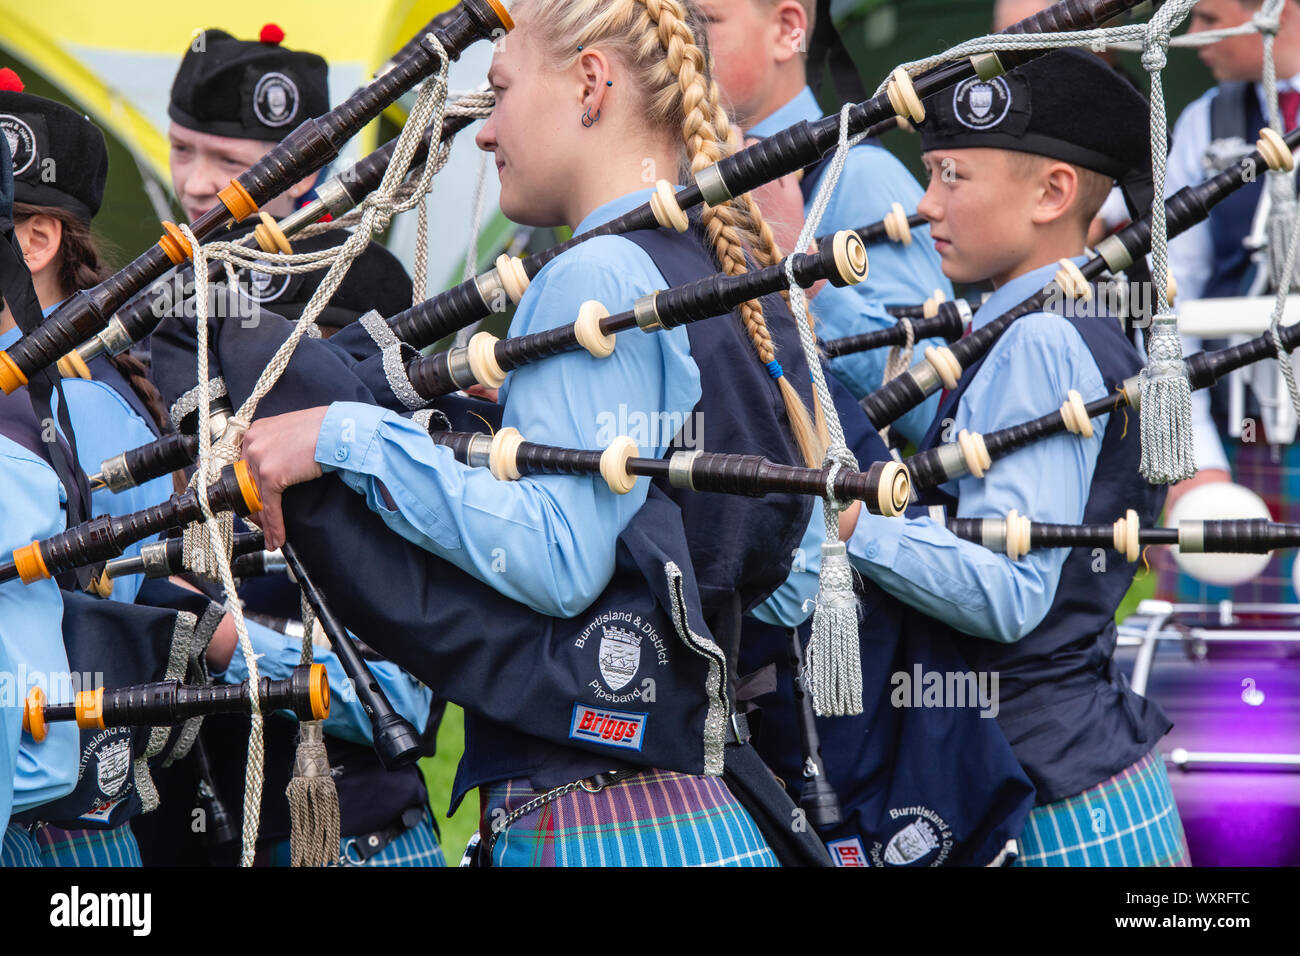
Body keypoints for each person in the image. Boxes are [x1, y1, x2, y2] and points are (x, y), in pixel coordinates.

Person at [175, 0, 835, 867]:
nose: (483, 137)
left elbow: (559, 562)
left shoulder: (594, 273)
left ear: (591, 84)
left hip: (591, 823)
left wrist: (348, 433)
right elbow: (791, 584)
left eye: (499, 91)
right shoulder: (728, 276)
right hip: (703, 810)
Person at [840, 49, 1189, 866]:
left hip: (1048, 808)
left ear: (1052, 192)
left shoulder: (1038, 339)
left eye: (952, 175)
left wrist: (855, 522)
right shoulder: (1080, 320)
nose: (924, 207)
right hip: (1078, 776)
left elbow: (1010, 589)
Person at [139, 25, 442, 868]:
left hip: (349, 828)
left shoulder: (366, 307)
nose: (195, 183)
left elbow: (402, 690)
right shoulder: (148, 316)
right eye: (181, 148)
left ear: (304, 171)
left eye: (230, 165)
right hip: (186, 828)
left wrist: (211, 631)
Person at [701, 0, 952, 445]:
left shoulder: (861, 176)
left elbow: (938, 408)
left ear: (786, 30)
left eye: (703, 21)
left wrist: (806, 275)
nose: (676, 41)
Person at [1161, 0, 1300, 604]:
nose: (1192, 39)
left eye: (1209, 20)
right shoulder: (1205, 121)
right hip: (1237, 436)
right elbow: (1170, 306)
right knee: (1223, 667)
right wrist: (1195, 460)